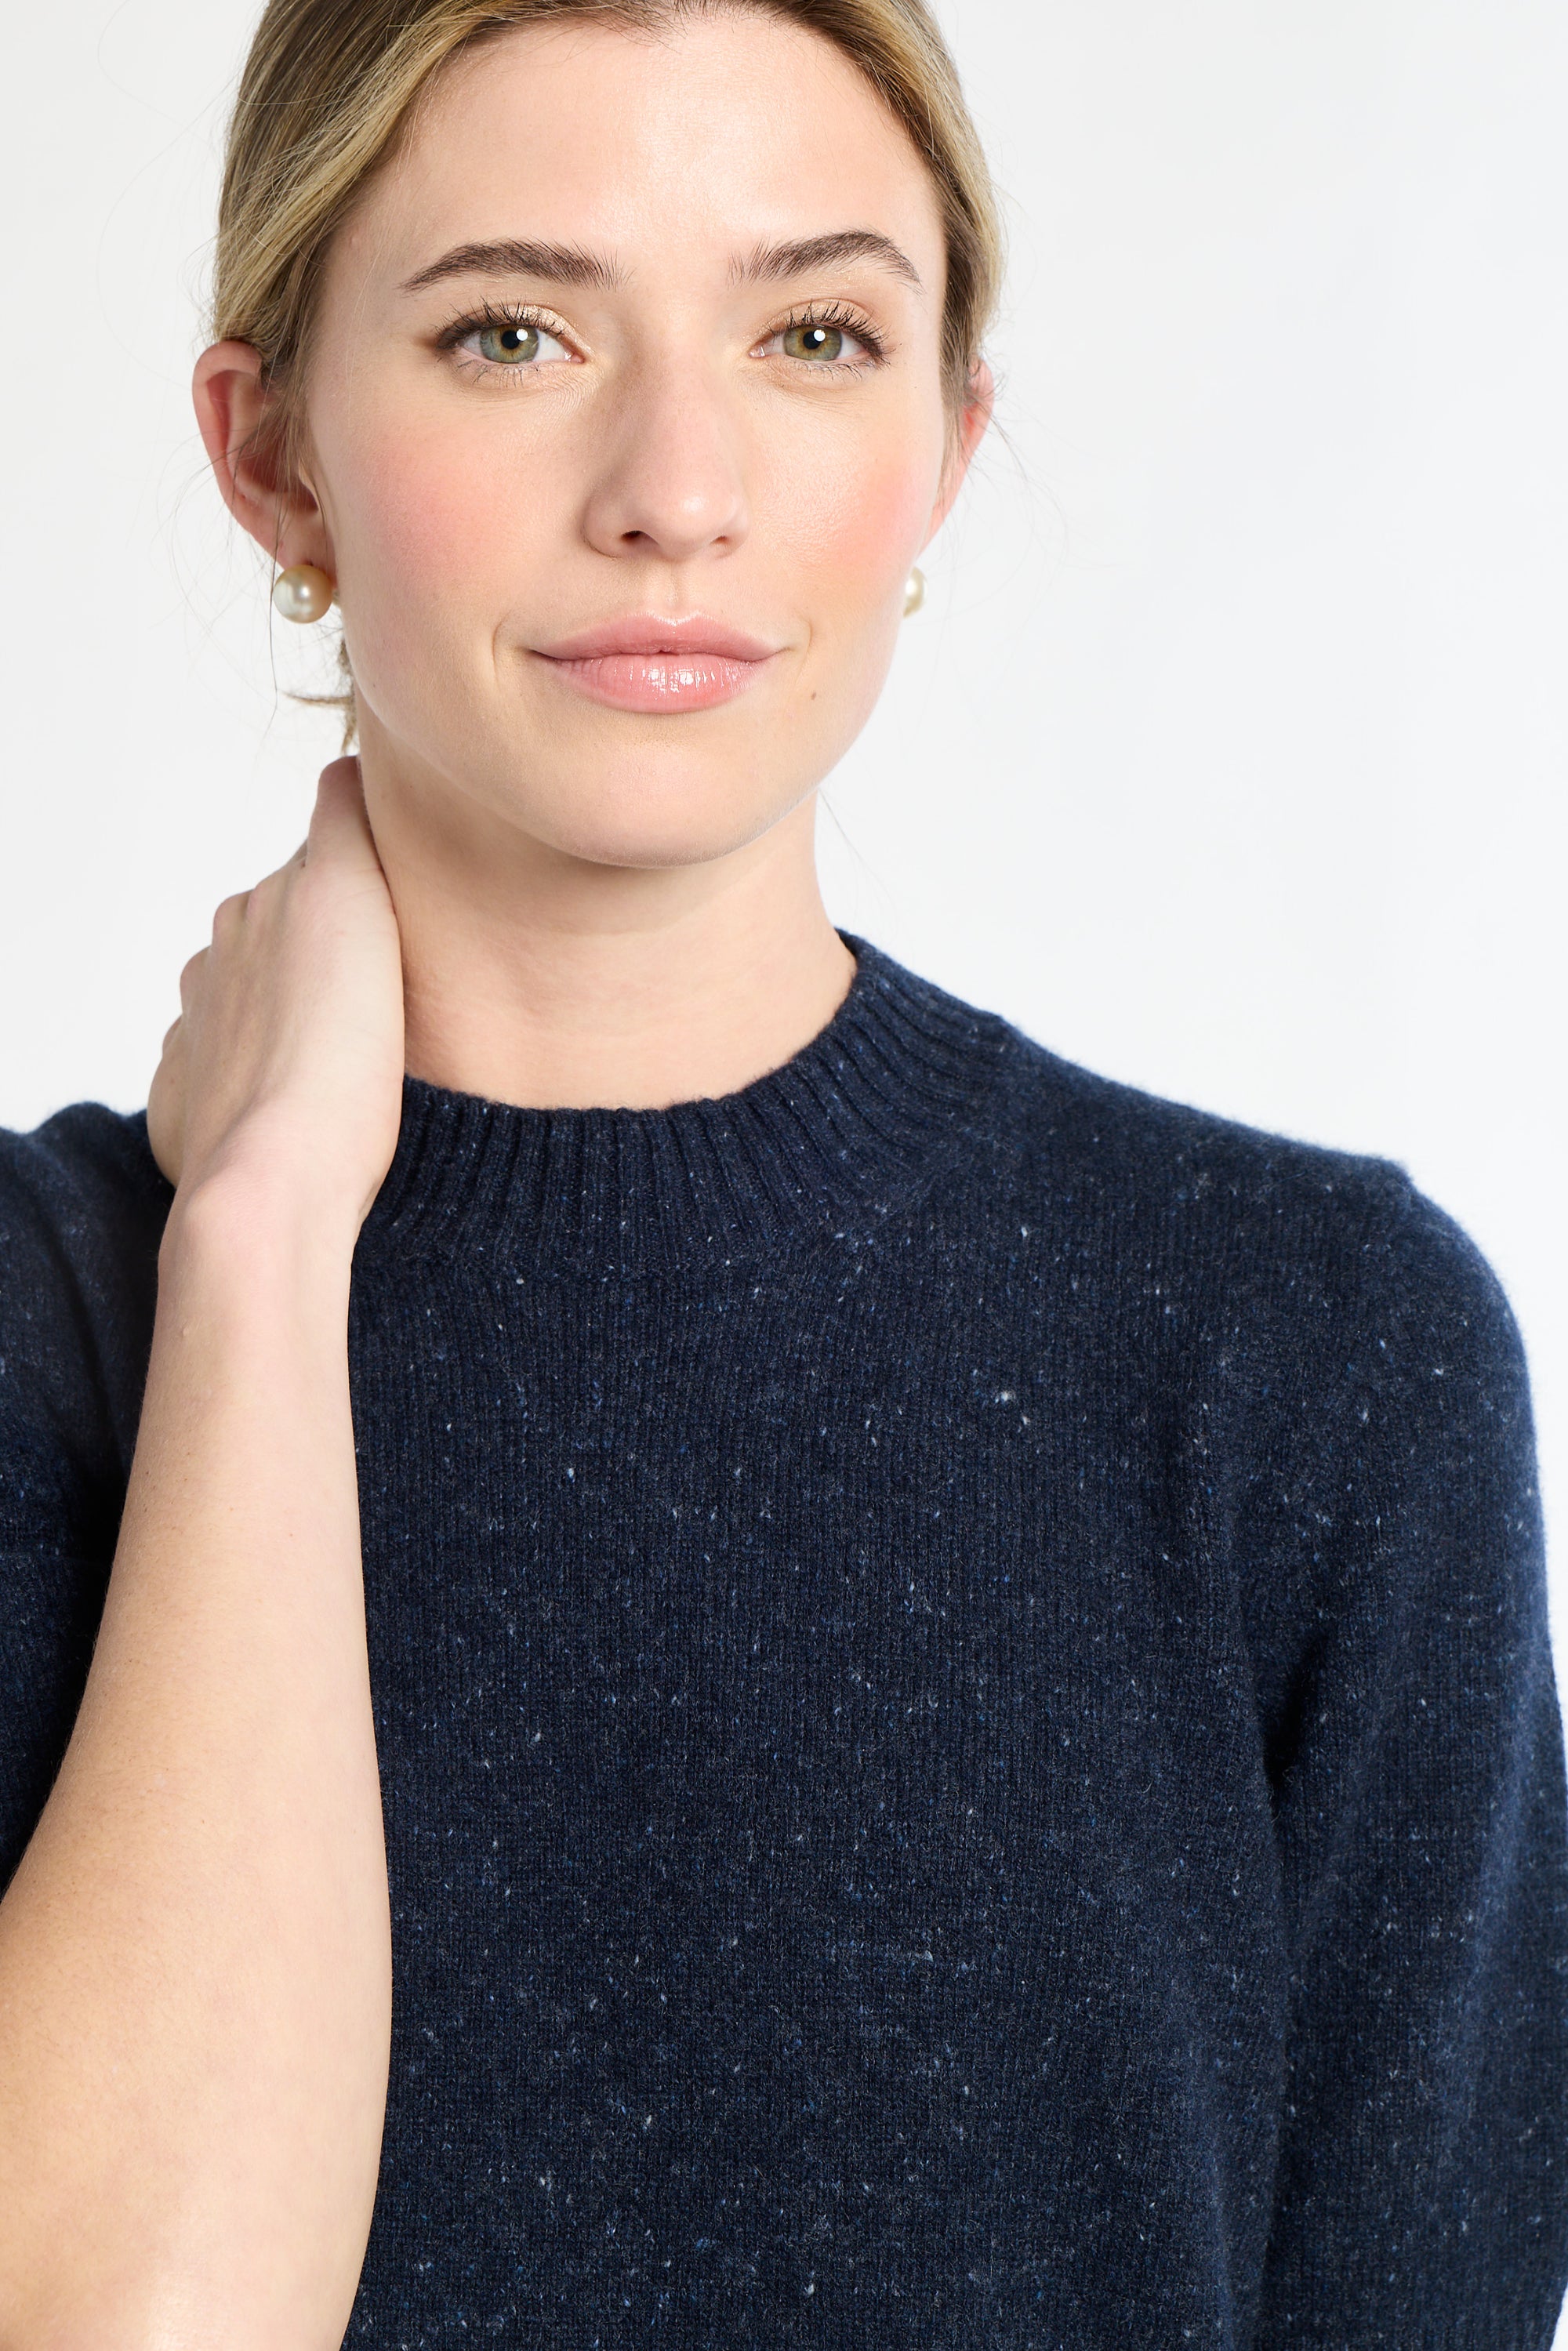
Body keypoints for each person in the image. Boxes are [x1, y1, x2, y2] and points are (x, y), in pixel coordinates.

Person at [0, 0, 1564, 2338]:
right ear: (276, 461)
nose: (677, 485)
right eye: (513, 331)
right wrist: (252, 1247)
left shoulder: (1313, 1359)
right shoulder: (51, 1336)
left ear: (945, 442)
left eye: (814, 331)